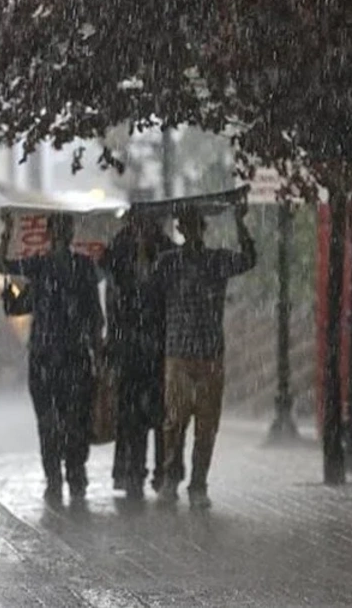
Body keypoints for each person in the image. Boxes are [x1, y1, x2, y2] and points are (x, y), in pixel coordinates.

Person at [0, 212, 104, 505]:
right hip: (46, 357)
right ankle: (56, 477)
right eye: (58, 229)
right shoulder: (40, 267)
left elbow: (94, 315)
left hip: (73, 355)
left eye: (64, 229)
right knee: (49, 422)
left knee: (74, 421)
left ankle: (74, 474)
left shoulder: (81, 267)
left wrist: (98, 350)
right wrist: (7, 233)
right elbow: (2, 266)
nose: (61, 235)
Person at [155, 202, 256, 509]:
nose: (190, 231)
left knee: (206, 425)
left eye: (194, 225)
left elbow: (249, 259)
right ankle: (171, 478)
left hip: (209, 353)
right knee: (175, 420)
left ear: (202, 228)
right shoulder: (168, 262)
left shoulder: (217, 260)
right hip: (179, 353)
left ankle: (198, 483)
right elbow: (147, 285)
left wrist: (240, 223)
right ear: (180, 229)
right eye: (184, 225)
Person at [101, 213, 178, 500]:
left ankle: (162, 472)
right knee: (131, 415)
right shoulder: (120, 249)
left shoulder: (166, 250)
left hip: (158, 347)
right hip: (130, 347)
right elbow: (111, 289)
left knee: (159, 415)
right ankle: (132, 472)